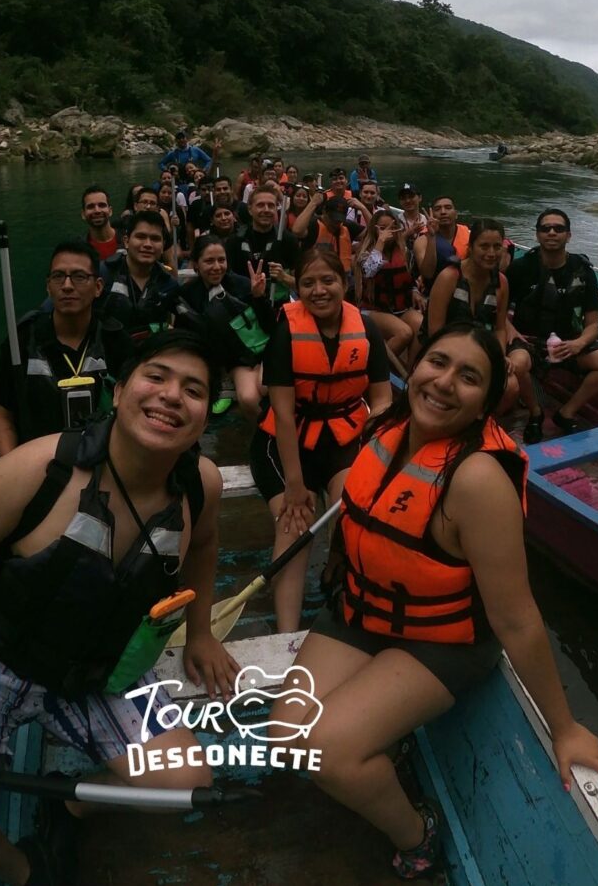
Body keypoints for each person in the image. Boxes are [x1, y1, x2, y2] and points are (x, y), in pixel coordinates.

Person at [0, 332, 239, 886]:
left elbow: (205, 545)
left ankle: (71, 807)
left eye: (193, 390)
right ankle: (26, 870)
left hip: (95, 667)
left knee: (183, 781)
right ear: (119, 392)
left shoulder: (199, 485)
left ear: (204, 415)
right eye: (156, 376)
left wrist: (201, 632)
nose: (170, 396)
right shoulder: (40, 470)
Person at [272, 324, 598, 881]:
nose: (444, 382)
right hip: (364, 611)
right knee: (288, 741)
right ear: (416, 365)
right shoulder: (389, 427)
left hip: (442, 640)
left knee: (328, 754)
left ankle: (418, 834)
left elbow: (518, 619)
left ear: (487, 403)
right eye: (437, 362)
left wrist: (565, 725)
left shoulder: (475, 479)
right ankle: (389, 738)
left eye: (469, 377)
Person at [250, 247, 392, 631]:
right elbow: (281, 412)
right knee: (294, 530)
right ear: (298, 286)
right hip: (285, 443)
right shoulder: (286, 331)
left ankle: (337, 564)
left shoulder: (365, 329)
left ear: (343, 283)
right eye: (308, 283)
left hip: (344, 435)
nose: (318, 290)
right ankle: (287, 634)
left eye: (327, 281)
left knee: (353, 512)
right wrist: (296, 486)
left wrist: (377, 440)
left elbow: (381, 399)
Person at [0, 240, 120, 455]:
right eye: (58, 276)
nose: (67, 286)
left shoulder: (114, 339)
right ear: (48, 286)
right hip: (36, 464)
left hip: (100, 463)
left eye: (79, 277)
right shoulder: (22, 340)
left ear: (98, 287)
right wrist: (12, 467)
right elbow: (5, 416)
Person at [507, 209, 598, 436]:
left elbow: (592, 324)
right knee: (518, 362)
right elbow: (498, 311)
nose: (552, 233)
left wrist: (578, 343)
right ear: (537, 235)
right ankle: (535, 412)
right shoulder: (521, 268)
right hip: (528, 341)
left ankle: (567, 413)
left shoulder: (582, 271)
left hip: (568, 344)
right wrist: (510, 328)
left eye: (558, 228)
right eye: (545, 228)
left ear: (569, 235)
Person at [427, 218, 523, 417]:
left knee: (511, 386)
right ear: (471, 247)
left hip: (479, 348)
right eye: (484, 246)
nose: (491, 253)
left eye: (497, 247)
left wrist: (499, 356)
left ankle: (480, 423)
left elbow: (499, 328)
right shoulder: (449, 277)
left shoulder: (501, 283)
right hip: (442, 349)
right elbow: (434, 331)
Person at [175, 234, 273, 422]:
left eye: (221, 260)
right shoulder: (188, 295)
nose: (217, 267)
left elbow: (270, 325)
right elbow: (186, 334)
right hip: (237, 360)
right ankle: (267, 435)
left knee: (265, 385)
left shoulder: (244, 285)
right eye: (209, 261)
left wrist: (259, 297)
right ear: (196, 264)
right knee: (248, 398)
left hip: (266, 350)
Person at [353, 210, 423, 366]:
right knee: (404, 333)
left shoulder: (404, 251)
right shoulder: (366, 252)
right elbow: (368, 271)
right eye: (382, 228)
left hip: (400, 309)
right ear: (374, 229)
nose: (387, 232)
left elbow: (408, 278)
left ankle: (410, 372)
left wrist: (414, 291)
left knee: (420, 325)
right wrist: (380, 242)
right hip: (374, 310)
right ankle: (372, 368)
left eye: (391, 228)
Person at [99, 211, 179, 343]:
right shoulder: (104, 274)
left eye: (155, 239)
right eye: (141, 237)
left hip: (151, 356)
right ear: (126, 241)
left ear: (163, 245)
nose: (148, 244)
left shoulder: (168, 284)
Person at [225, 186, 298, 301]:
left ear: (276, 209)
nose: (266, 210)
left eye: (271, 205)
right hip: (245, 306)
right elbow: (226, 281)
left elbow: (301, 285)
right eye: (260, 205)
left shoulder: (288, 240)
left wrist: (284, 277)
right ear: (250, 209)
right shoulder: (235, 241)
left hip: (277, 305)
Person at [290, 191, 357, 275]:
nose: (335, 223)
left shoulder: (346, 226)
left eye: (339, 220)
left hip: (341, 278)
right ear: (324, 211)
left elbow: (373, 233)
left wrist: (363, 208)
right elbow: (297, 230)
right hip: (315, 275)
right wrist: (313, 203)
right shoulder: (314, 225)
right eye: (332, 218)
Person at [429, 195, 470, 278]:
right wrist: (431, 236)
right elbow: (427, 273)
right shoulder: (423, 239)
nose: (443, 212)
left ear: (456, 214)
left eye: (448, 208)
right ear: (432, 215)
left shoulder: (469, 235)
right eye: (437, 209)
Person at [80, 184, 119, 263]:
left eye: (102, 205)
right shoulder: (78, 249)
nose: (97, 210)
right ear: (83, 214)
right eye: (91, 207)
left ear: (110, 211)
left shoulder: (128, 241)